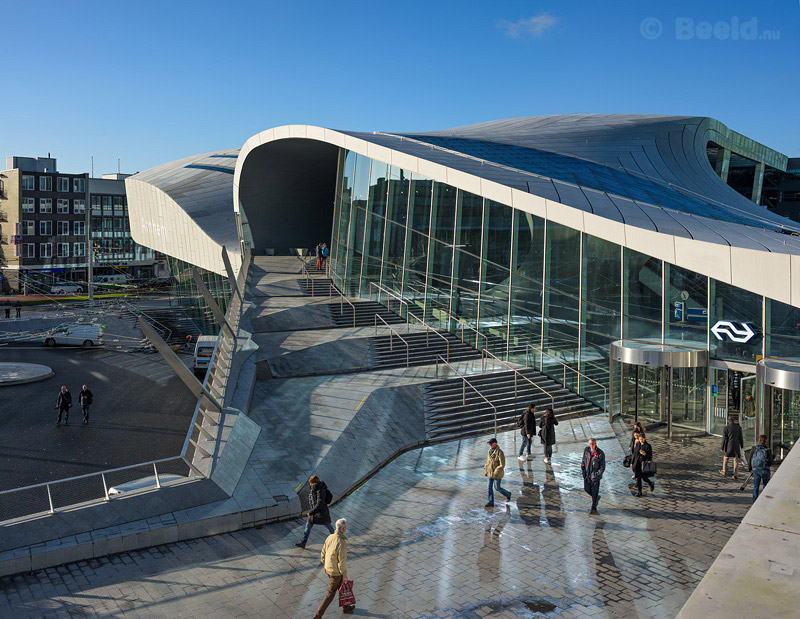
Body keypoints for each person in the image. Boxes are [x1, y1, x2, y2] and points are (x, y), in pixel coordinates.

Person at [315, 518, 354, 618]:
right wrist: (345, 576)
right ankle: (318, 615)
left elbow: (323, 552)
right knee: (330, 594)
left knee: (341, 587)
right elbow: (341, 563)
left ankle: (346, 607)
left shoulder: (330, 537)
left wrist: (324, 564)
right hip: (335, 572)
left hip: (328, 568)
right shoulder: (342, 543)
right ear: (344, 529)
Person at [296, 475, 334, 549]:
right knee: (308, 527)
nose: (310, 485)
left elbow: (320, 503)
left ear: (315, 483)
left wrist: (311, 512)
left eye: (311, 483)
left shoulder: (320, 490)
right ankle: (303, 543)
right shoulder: (314, 488)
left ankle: (337, 538)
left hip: (321, 513)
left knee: (328, 526)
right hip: (314, 512)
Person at [581, 438, 605, 515]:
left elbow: (602, 467)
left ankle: (593, 508)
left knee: (594, 492)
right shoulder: (586, 450)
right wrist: (583, 471)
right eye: (590, 444)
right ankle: (596, 498)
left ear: (595, 444)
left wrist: (597, 474)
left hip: (595, 477)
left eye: (593, 444)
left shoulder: (600, 453)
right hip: (587, 475)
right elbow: (583, 461)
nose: (591, 445)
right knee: (586, 489)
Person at [484, 438, 511, 507]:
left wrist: (496, 471)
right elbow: (488, 461)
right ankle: (491, 501)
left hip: (497, 474)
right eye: (489, 443)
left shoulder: (500, 452)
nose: (489, 445)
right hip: (490, 473)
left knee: (497, 488)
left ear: (495, 443)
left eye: (491, 443)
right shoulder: (489, 451)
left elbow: (502, 464)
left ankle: (508, 494)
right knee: (489, 488)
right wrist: (486, 467)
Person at [749, 435, 773, 503]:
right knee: (765, 486)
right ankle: (764, 501)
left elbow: (750, 458)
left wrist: (750, 468)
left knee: (756, 487)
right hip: (765, 470)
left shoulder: (754, 448)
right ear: (766, 441)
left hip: (756, 470)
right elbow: (771, 462)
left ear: (759, 440)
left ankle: (754, 501)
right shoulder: (768, 450)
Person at [720, 415, 744, 479]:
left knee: (726, 459)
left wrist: (722, 447)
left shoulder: (726, 428)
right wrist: (742, 446)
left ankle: (724, 471)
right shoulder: (739, 428)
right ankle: (735, 474)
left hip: (729, 446)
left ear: (728, 421)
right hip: (736, 446)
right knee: (736, 460)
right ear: (734, 421)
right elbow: (740, 438)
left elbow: (724, 439)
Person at [631, 433, 655, 497]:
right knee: (638, 478)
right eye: (640, 439)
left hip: (644, 464)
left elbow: (650, 457)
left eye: (642, 439)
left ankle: (650, 483)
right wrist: (632, 462)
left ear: (644, 439)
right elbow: (635, 454)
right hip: (638, 464)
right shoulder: (637, 444)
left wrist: (645, 454)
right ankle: (639, 492)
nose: (641, 440)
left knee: (644, 478)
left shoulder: (648, 446)